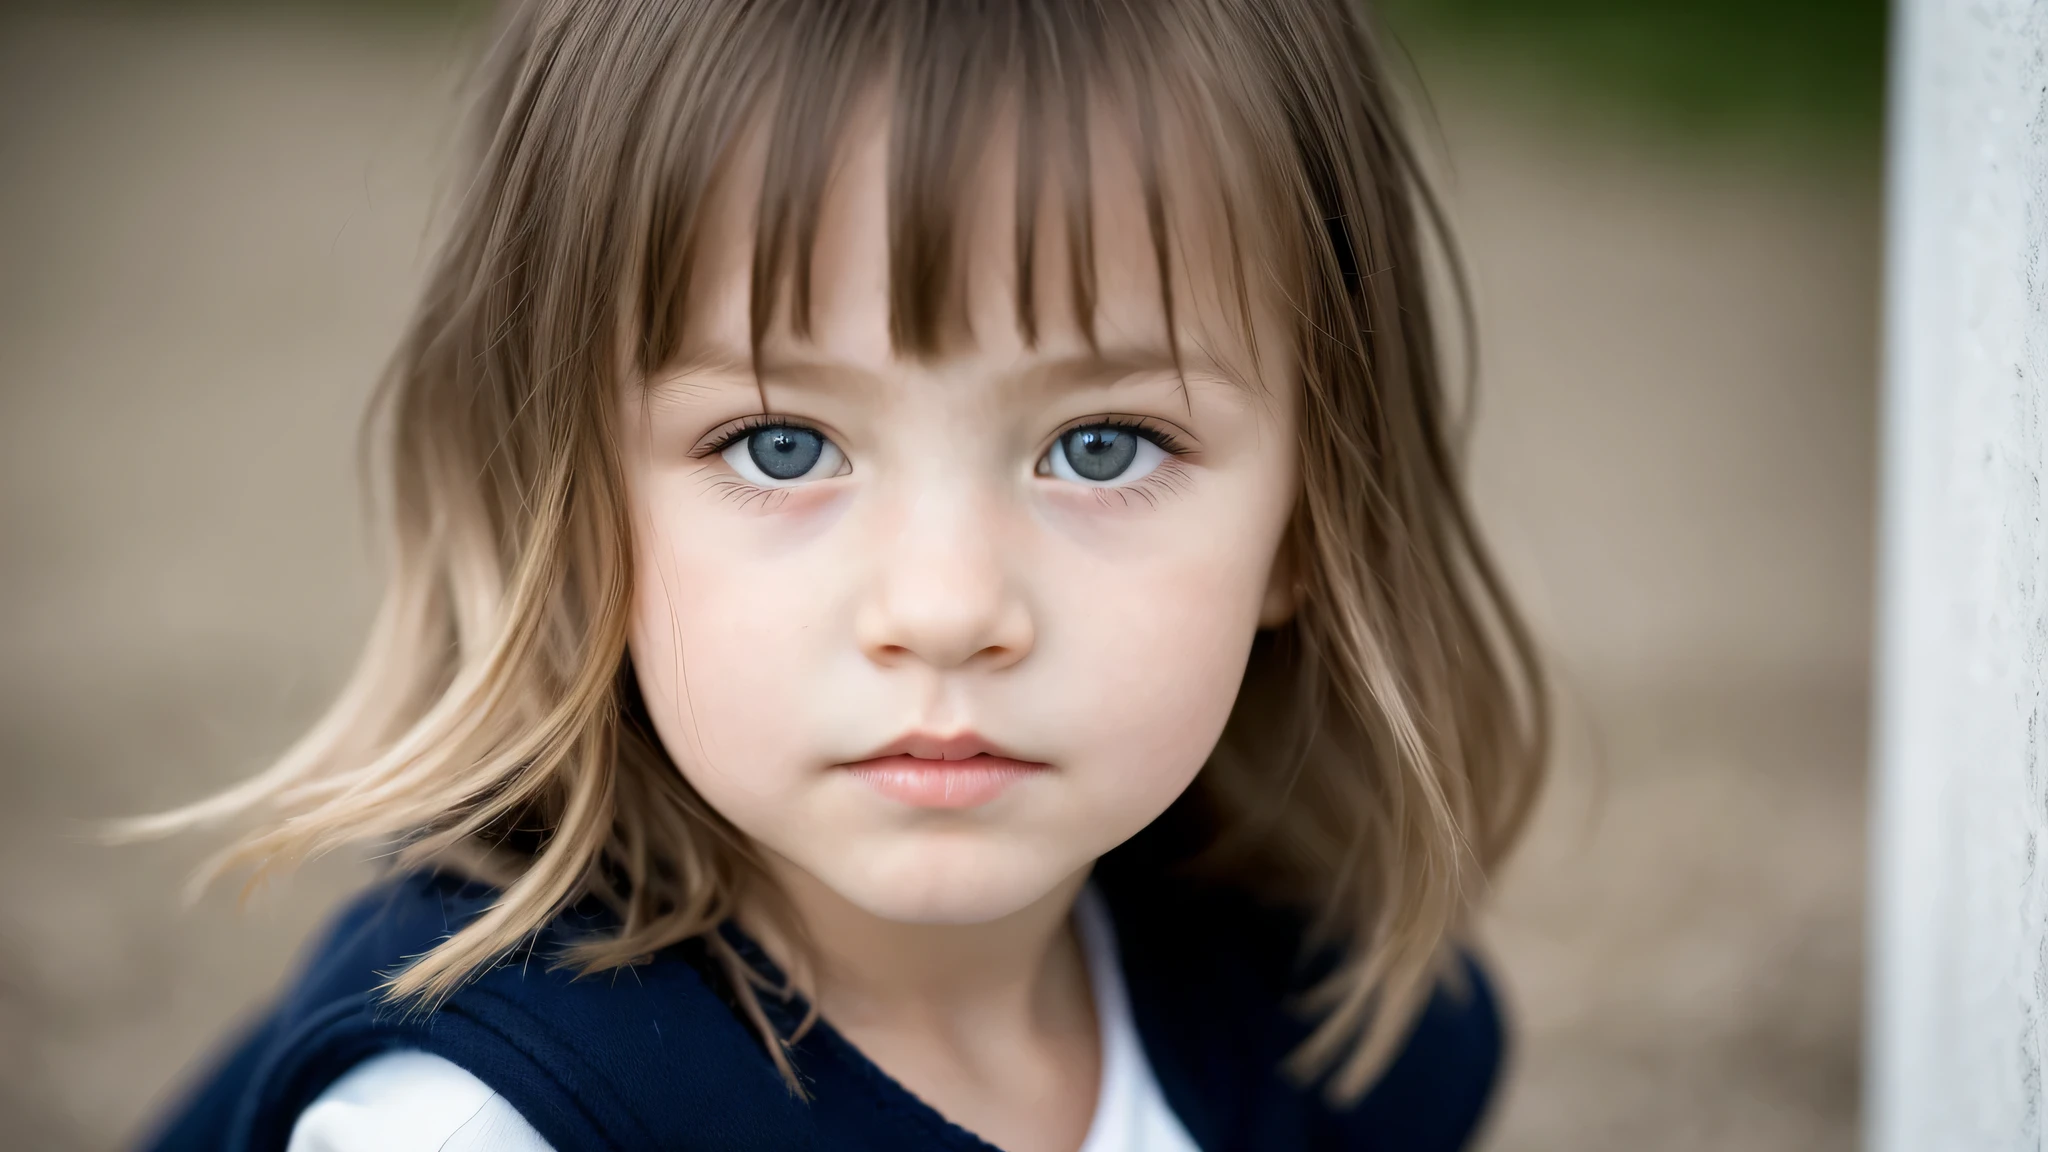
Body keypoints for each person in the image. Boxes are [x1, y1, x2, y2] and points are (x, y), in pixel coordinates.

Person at [131, 0, 1547, 1148]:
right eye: (782, 443)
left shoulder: (1309, 1022)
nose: (942, 610)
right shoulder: (485, 1121)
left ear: (1310, 517)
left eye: (1104, 446)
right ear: (567, 508)